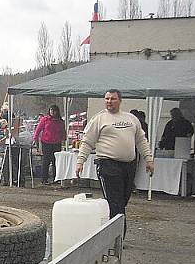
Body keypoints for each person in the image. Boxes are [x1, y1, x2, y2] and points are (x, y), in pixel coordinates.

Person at [76, 89, 153, 232]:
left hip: (129, 165)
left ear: (120, 100)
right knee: (115, 202)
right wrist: (81, 161)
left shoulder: (131, 119)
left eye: (112, 99)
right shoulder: (99, 119)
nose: (109, 102)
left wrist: (149, 159)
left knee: (123, 200)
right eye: (107, 99)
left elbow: (141, 140)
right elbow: (87, 142)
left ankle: (111, 229)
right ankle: (118, 235)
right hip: (108, 164)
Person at [33, 104, 66, 185]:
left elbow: (63, 131)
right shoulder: (45, 119)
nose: (52, 112)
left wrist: (64, 139)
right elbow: (38, 129)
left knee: (56, 162)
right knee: (46, 161)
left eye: (54, 110)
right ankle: (44, 179)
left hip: (56, 143)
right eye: (51, 110)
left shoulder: (60, 121)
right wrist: (35, 138)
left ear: (57, 112)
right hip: (46, 143)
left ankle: (56, 178)